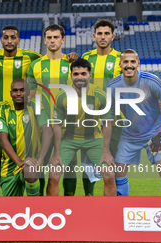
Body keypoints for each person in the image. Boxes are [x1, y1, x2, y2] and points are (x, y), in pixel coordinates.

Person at [62, 19, 122, 197]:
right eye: (100, 34)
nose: (103, 37)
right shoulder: (86, 57)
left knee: (109, 164)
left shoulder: (120, 59)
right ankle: (81, 199)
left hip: (111, 118)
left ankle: (111, 204)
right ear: (94, 36)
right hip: (84, 116)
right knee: (77, 161)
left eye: (106, 34)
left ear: (113, 36)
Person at [107, 49, 161, 197]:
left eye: (132, 61)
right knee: (119, 171)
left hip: (155, 132)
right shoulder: (113, 86)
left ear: (138, 63)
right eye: (125, 62)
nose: (129, 65)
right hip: (130, 135)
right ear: (120, 64)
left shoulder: (152, 81)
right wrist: (107, 146)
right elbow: (109, 117)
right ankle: (120, 208)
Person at [0, 25, 42, 194]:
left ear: (18, 40)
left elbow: (49, 62)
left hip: (24, 115)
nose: (9, 41)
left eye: (13, 37)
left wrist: (69, 58)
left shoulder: (31, 57)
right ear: (1, 40)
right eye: (6, 37)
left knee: (34, 162)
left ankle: (40, 199)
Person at [48, 58, 116, 196]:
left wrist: (106, 152)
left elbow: (107, 124)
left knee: (109, 175)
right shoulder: (62, 96)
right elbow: (57, 125)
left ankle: (110, 214)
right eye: (76, 74)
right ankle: (52, 213)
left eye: (83, 74)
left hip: (94, 139)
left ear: (90, 75)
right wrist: (56, 153)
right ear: (71, 76)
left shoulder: (100, 96)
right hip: (69, 139)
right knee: (53, 175)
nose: (79, 77)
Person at [27, 24, 78, 196]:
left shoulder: (72, 64)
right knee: (42, 169)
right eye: (49, 37)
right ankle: (45, 209)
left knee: (69, 167)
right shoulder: (35, 65)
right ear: (44, 40)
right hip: (42, 126)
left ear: (63, 40)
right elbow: (32, 97)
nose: (52, 40)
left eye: (56, 37)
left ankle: (69, 208)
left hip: (68, 125)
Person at [0, 79, 53, 196]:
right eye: (15, 91)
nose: (18, 93)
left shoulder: (36, 105)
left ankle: (34, 207)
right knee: (11, 208)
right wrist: (21, 163)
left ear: (28, 92)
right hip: (10, 164)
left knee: (30, 172)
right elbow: (2, 139)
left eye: (22, 90)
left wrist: (39, 161)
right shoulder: (2, 107)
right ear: (10, 93)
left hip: (33, 161)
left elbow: (48, 131)